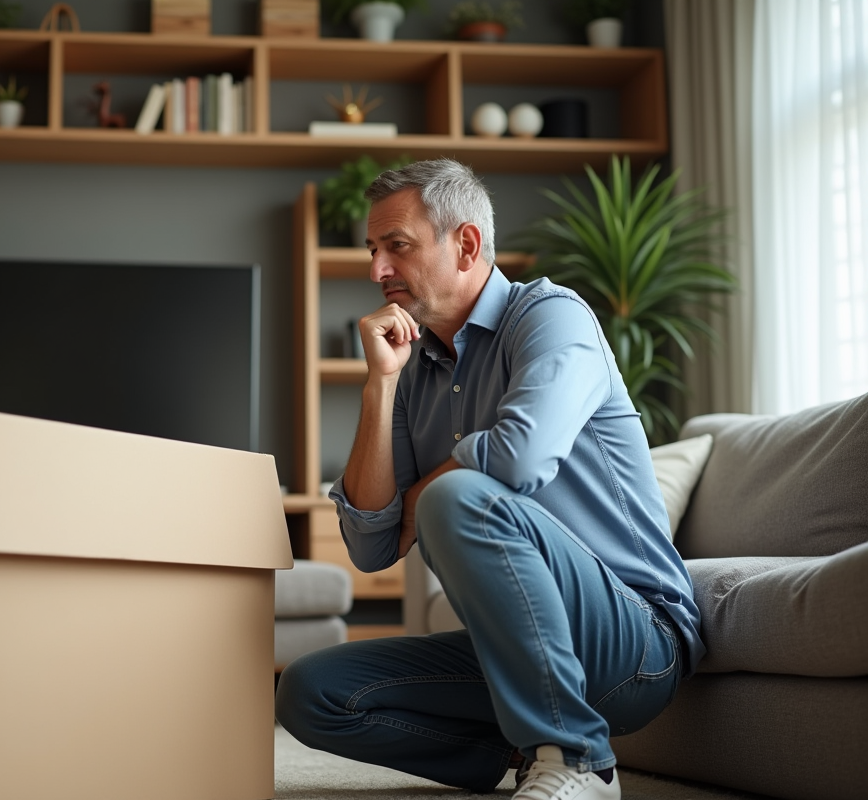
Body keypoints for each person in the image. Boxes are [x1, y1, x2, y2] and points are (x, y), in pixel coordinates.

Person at [275, 159, 703, 800]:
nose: (376, 271)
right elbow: (370, 547)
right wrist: (380, 383)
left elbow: (520, 462)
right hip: (519, 649)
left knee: (455, 494)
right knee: (311, 693)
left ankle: (581, 762)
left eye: (397, 247)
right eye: (372, 250)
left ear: (467, 244)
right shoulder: (414, 370)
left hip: (634, 641)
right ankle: (534, 752)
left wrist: (419, 497)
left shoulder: (552, 317)